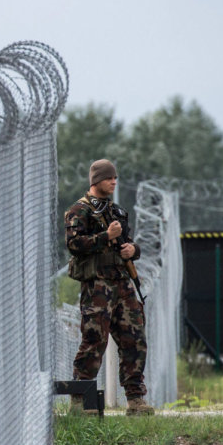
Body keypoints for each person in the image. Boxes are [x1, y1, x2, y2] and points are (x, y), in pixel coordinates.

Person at [64, 159, 153, 416]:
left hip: (122, 283)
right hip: (97, 286)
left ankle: (136, 399)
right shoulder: (78, 211)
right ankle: (79, 401)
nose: (114, 181)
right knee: (94, 340)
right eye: (109, 178)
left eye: (115, 178)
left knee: (134, 339)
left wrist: (133, 249)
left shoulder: (117, 213)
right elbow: (74, 245)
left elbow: (130, 243)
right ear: (96, 181)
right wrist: (106, 237)